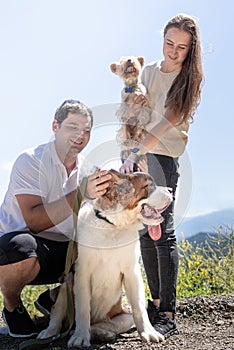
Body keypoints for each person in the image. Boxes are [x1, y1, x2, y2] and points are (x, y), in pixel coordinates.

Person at [120, 13, 203, 338]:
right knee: (143, 229)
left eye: (181, 47)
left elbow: (168, 118)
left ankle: (168, 311)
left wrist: (140, 150)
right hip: (135, 153)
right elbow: (134, 110)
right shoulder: (149, 71)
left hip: (163, 156)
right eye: (169, 43)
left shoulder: (188, 79)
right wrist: (129, 150)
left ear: (190, 50)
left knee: (161, 230)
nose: (173, 51)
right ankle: (152, 307)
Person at [0, 99, 112, 338]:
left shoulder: (88, 169)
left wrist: (126, 175)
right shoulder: (30, 160)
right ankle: (12, 307)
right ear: (55, 126)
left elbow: (106, 211)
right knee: (20, 248)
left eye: (86, 130)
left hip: (63, 249)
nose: (80, 135)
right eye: (72, 127)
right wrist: (82, 192)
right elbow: (34, 222)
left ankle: (52, 299)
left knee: (103, 248)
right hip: (19, 248)